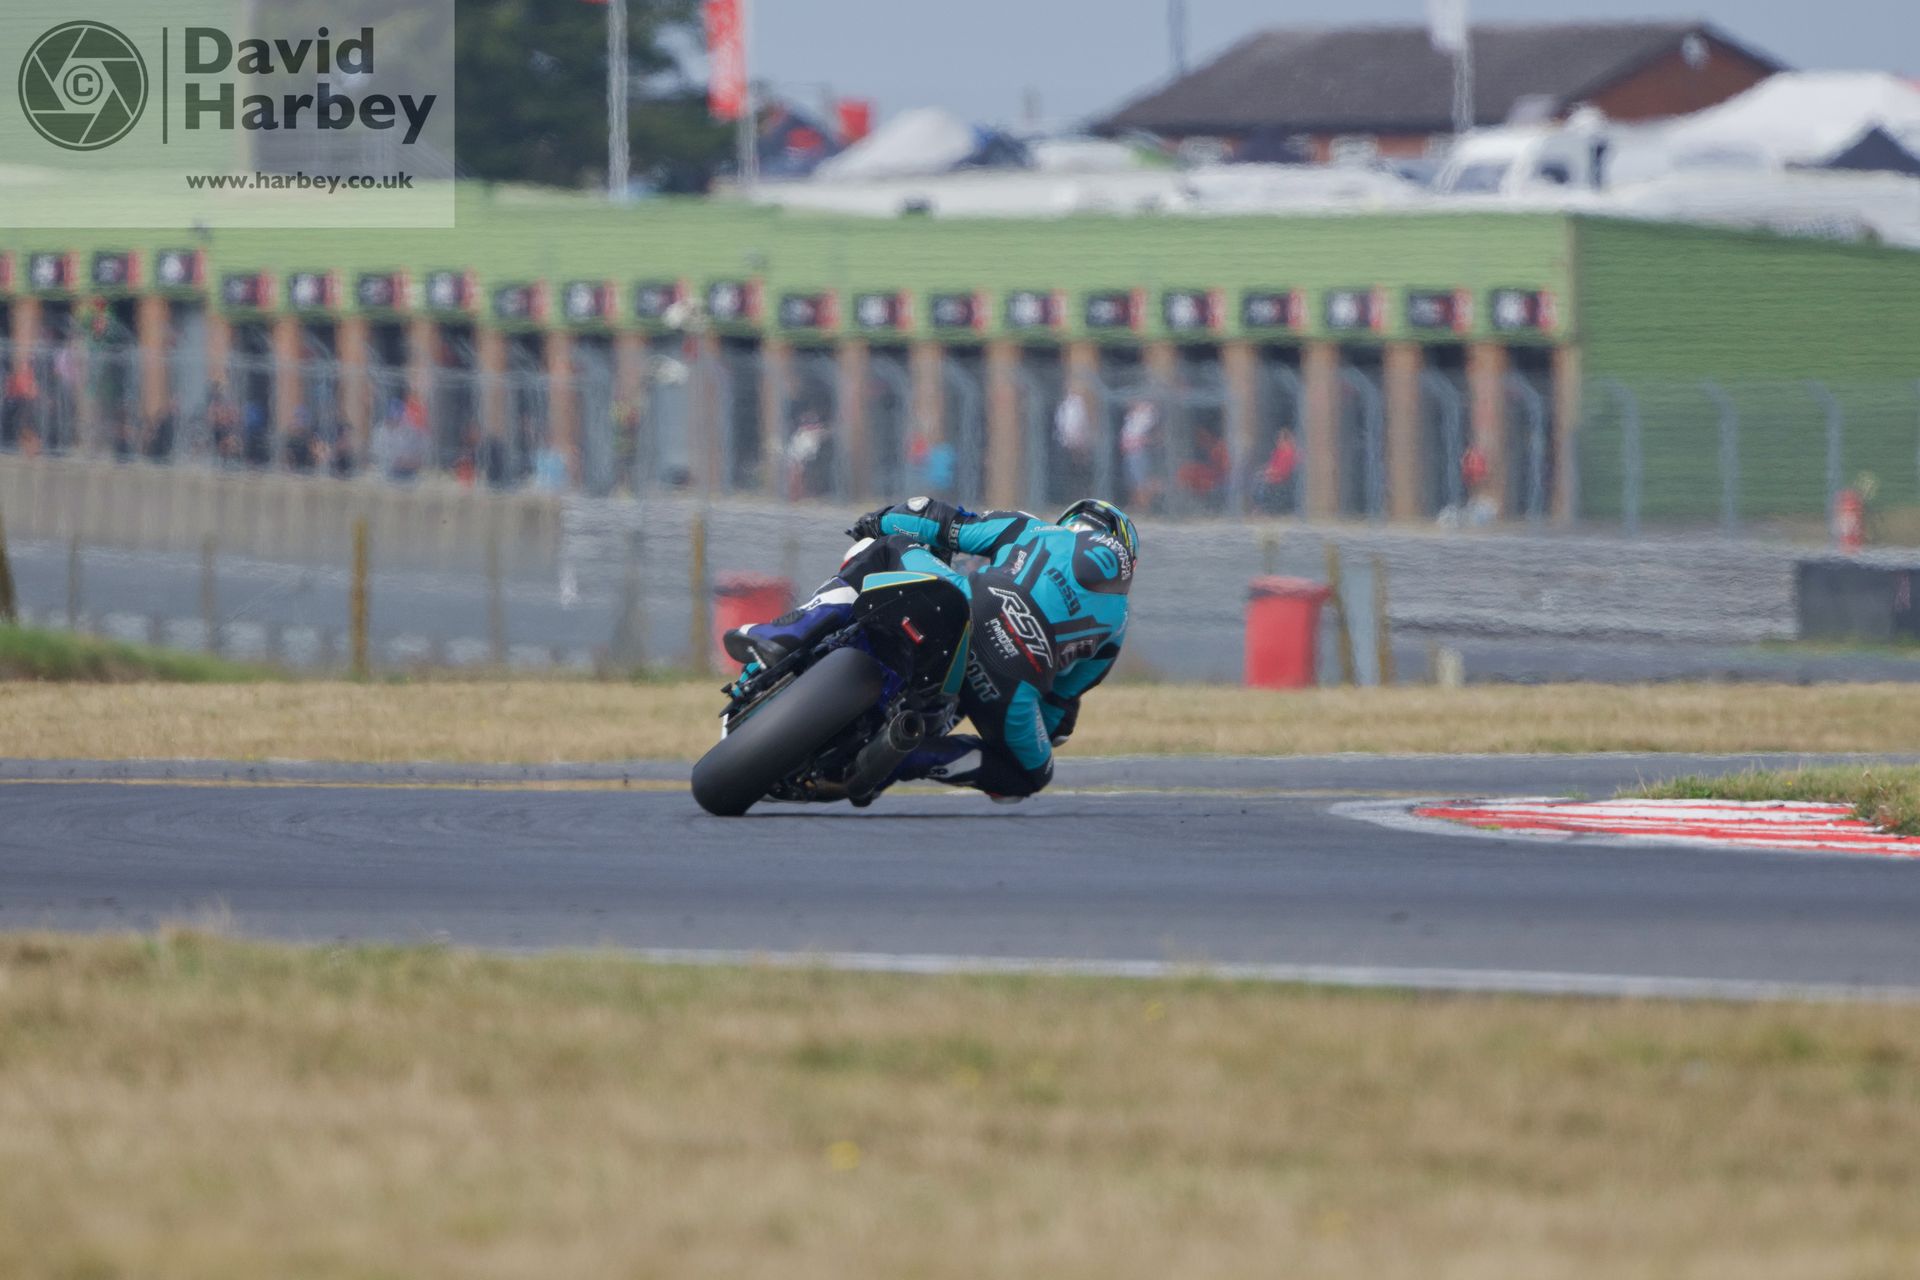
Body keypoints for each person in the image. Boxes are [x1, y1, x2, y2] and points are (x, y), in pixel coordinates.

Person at [723, 496, 1138, 803]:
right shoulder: (1115, 628)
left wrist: (878, 521)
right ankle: (908, 756)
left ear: (1071, 521)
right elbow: (1057, 713)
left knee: (883, 548)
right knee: (1030, 774)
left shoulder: (1037, 529)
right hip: (1007, 686)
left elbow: (942, 522)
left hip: (966, 607)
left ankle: (792, 630)